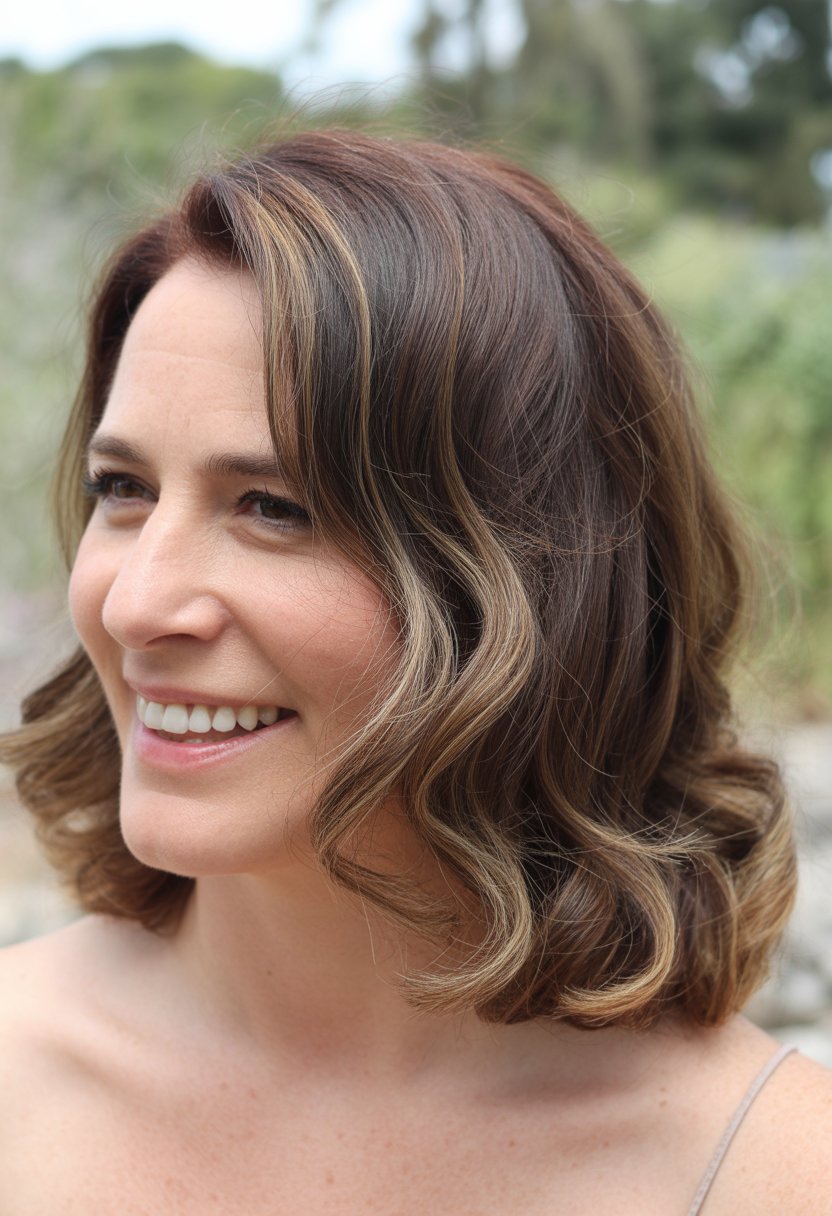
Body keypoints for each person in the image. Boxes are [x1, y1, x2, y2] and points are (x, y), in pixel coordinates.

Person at [0, 128, 829, 1215]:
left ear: (536, 584)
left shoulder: (768, 1173)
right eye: (124, 489)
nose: (134, 605)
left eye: (273, 507)